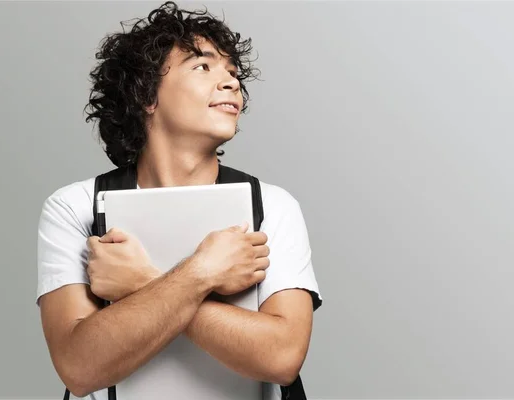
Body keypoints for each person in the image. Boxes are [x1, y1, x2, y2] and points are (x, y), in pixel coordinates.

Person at [36, 2, 322, 399]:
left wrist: (142, 281)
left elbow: (283, 358)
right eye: (203, 66)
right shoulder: (77, 207)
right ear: (146, 96)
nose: (231, 83)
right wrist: (203, 271)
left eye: (233, 73)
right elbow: (79, 369)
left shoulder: (271, 206)